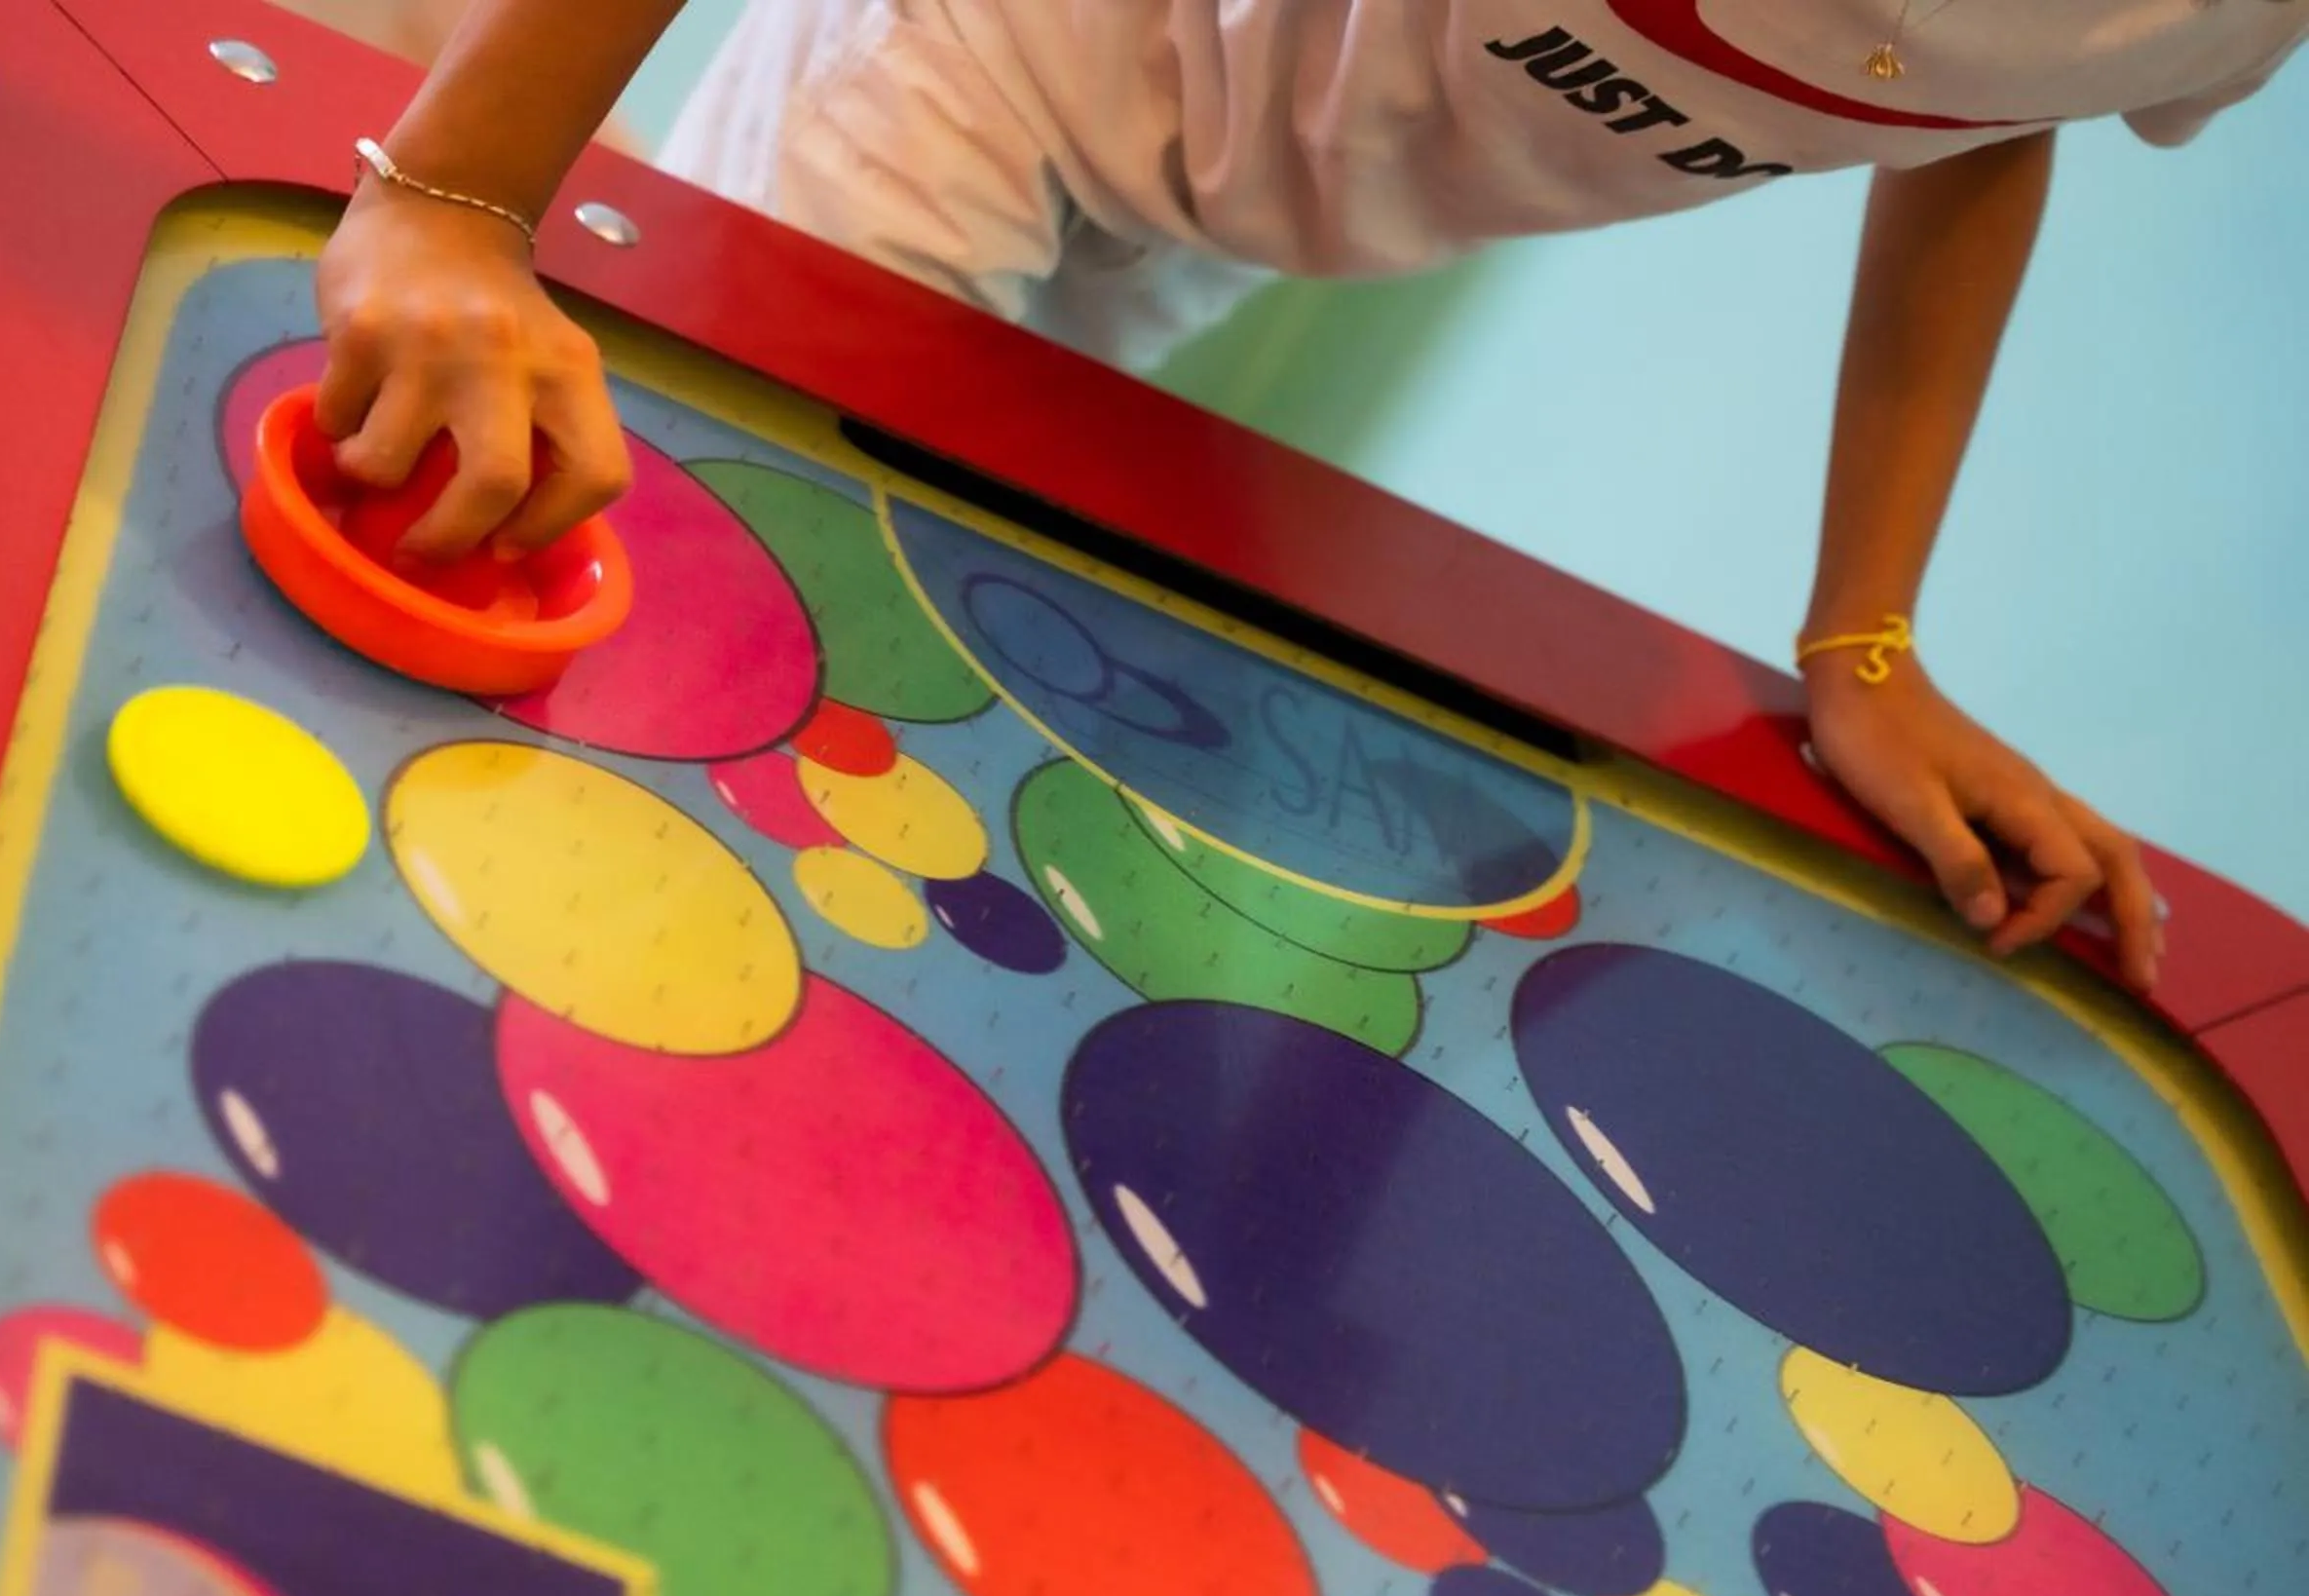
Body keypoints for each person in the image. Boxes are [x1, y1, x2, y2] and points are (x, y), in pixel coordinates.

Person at [307, 0, 2302, 989]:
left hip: (1219, 227)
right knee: (680, 672)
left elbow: (1984, 119)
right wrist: (459, 198)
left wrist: (1865, 640)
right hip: (982, 57)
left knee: (884, 713)